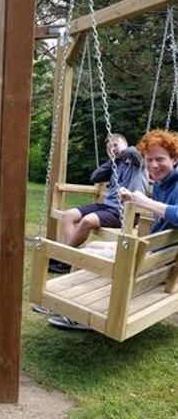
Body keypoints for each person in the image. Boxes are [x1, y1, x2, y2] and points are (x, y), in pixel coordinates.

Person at [46, 129, 178, 330]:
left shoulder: (171, 183)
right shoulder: (163, 183)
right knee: (94, 245)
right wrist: (135, 199)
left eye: (159, 159)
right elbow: (96, 176)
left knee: (85, 254)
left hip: (154, 262)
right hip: (156, 254)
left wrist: (144, 201)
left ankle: (76, 314)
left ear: (174, 158)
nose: (153, 165)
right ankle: (63, 303)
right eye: (150, 160)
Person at [49, 133, 148, 274]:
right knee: (68, 215)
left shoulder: (138, 161)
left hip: (125, 211)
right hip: (107, 206)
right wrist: (112, 160)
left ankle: (65, 260)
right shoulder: (115, 164)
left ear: (125, 144)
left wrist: (122, 151)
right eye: (109, 148)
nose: (112, 149)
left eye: (115, 145)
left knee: (86, 221)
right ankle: (73, 257)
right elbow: (94, 176)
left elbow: (134, 153)